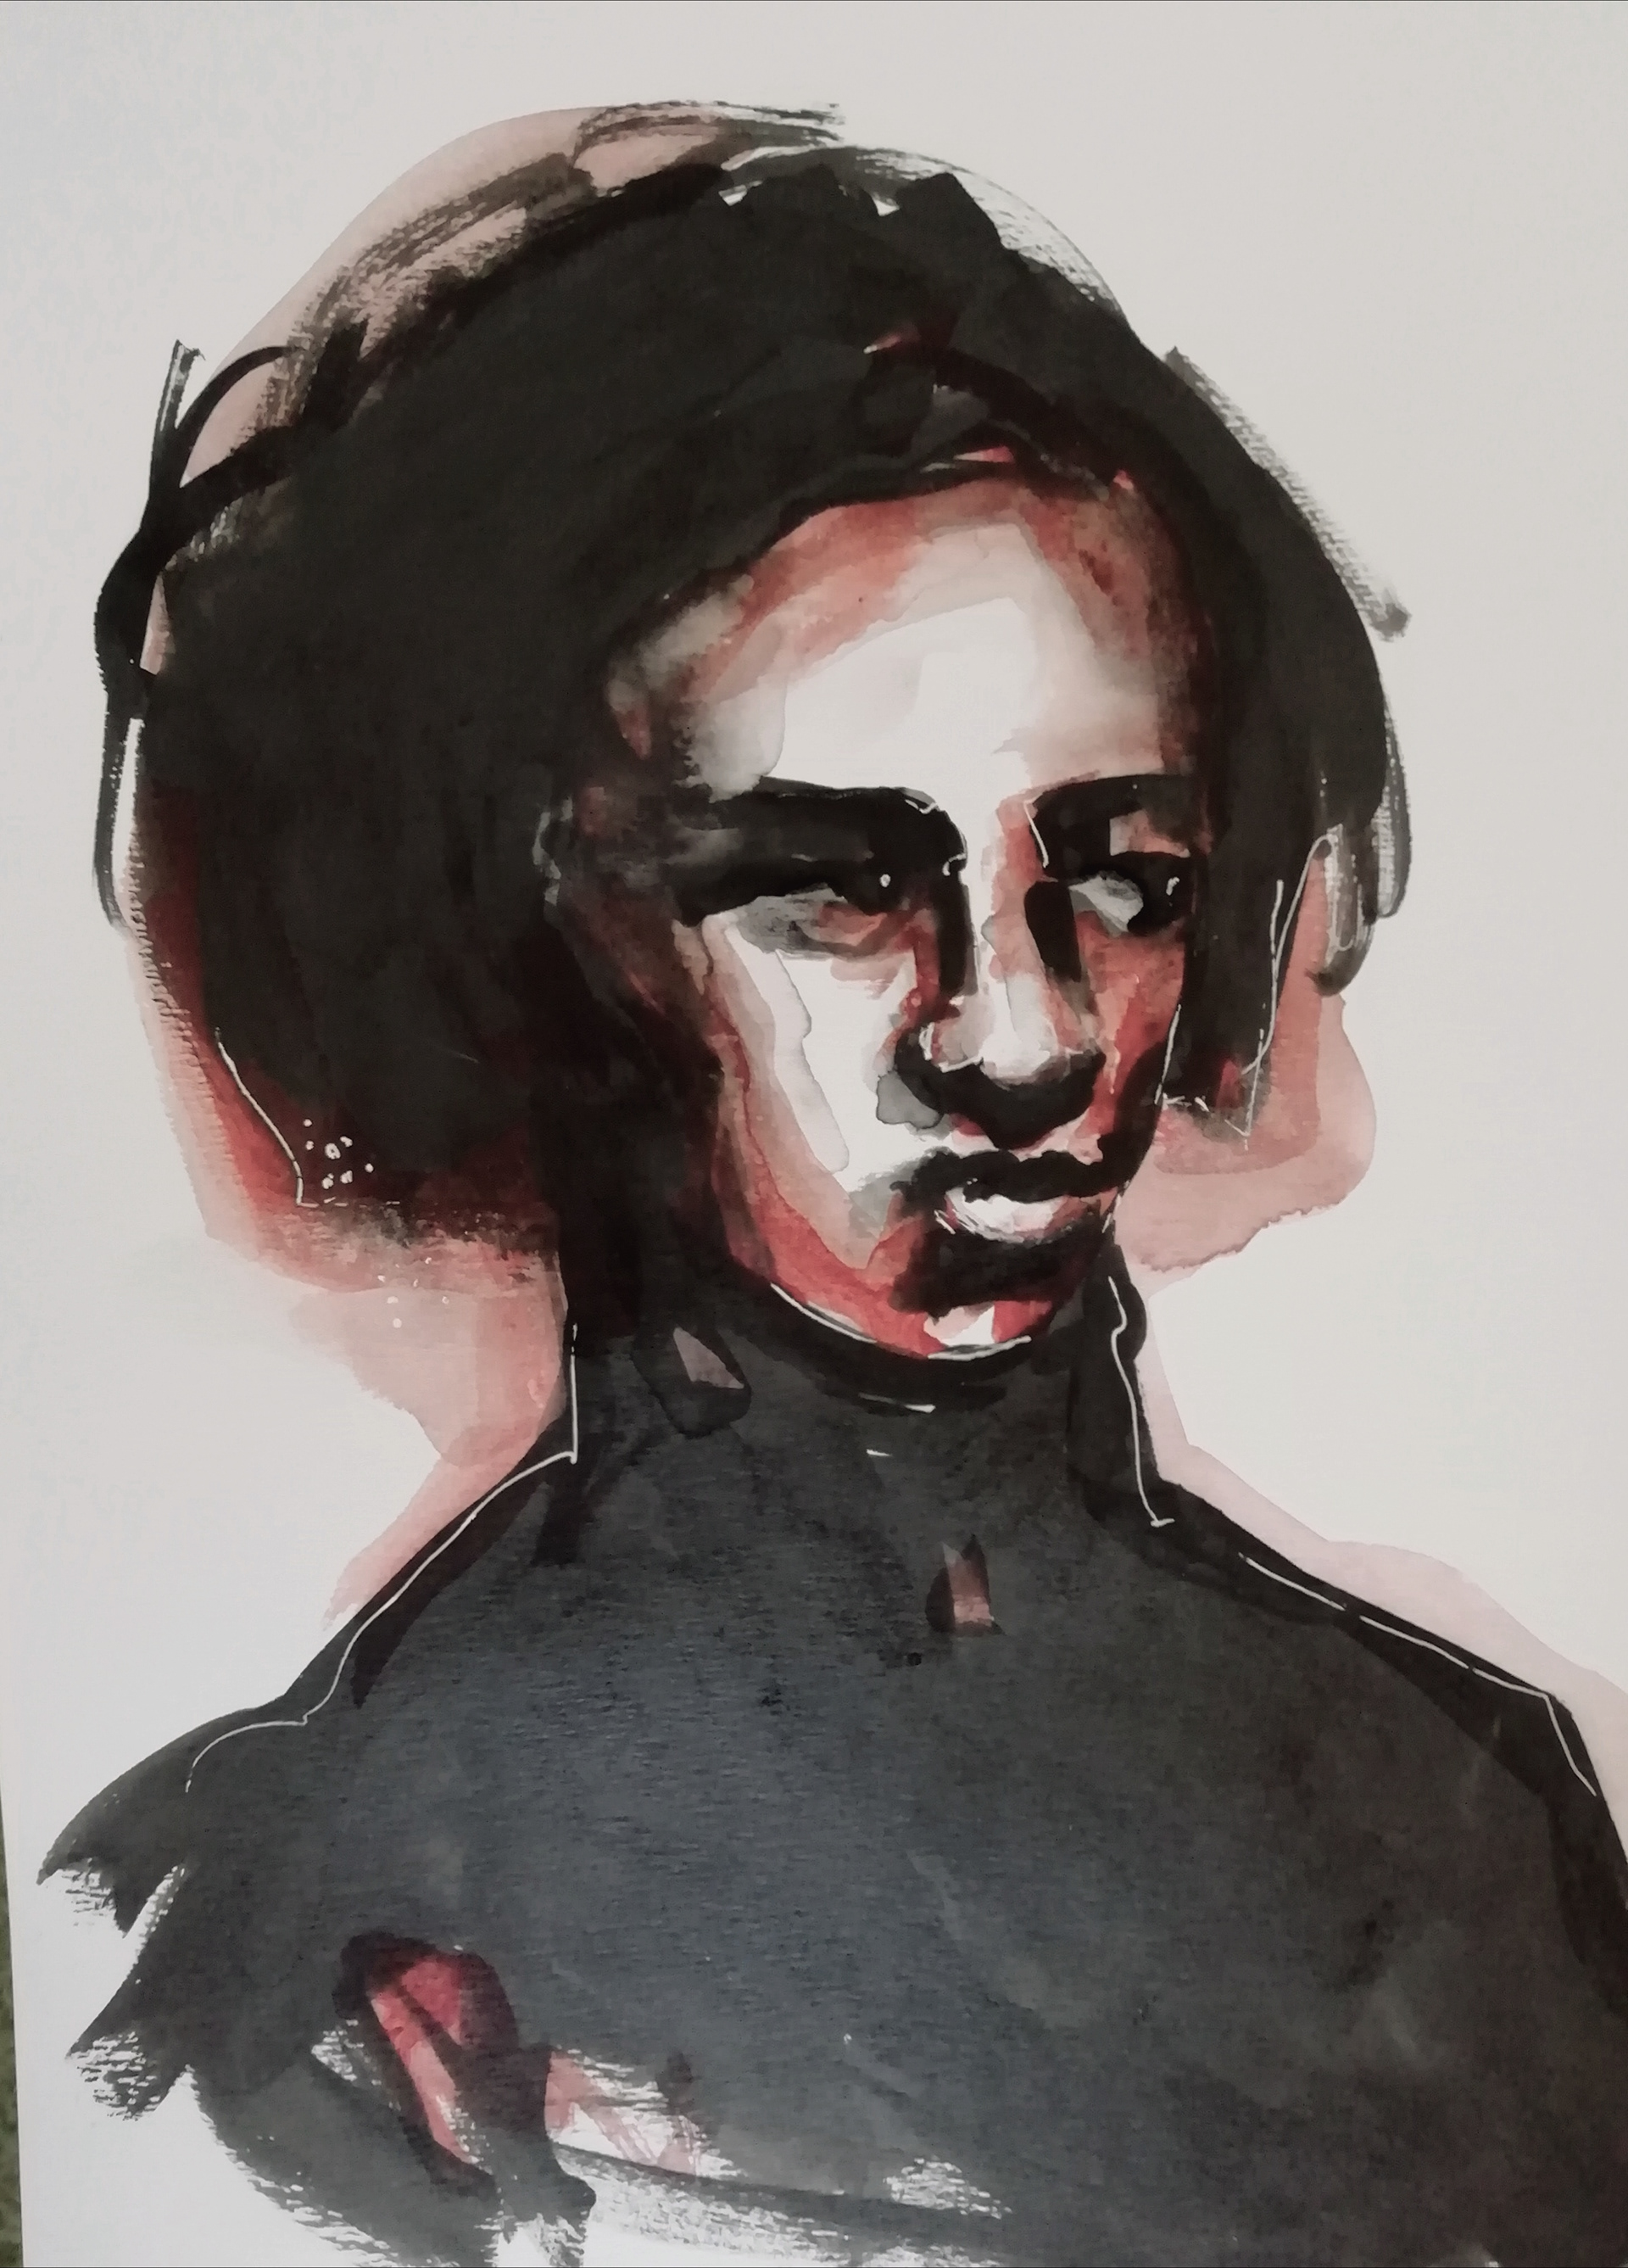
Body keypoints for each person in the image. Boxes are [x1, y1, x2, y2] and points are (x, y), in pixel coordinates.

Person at [47, 104, 1628, 2267]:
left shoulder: (1452, 1816)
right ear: (556, 942)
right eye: (835, 886)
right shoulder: (337, 1925)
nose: (1027, 1036)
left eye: (1124, 880)